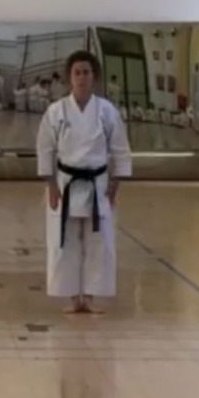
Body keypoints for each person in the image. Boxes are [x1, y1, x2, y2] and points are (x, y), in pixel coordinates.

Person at [37, 51, 132, 315]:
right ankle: (71, 296)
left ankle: (88, 296)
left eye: (86, 72)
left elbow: (120, 150)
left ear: (95, 77)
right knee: (63, 241)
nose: (82, 77)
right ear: (69, 78)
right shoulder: (56, 111)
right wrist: (51, 185)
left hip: (97, 182)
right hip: (65, 182)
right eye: (77, 72)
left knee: (98, 240)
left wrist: (115, 185)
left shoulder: (107, 111)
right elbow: (45, 149)